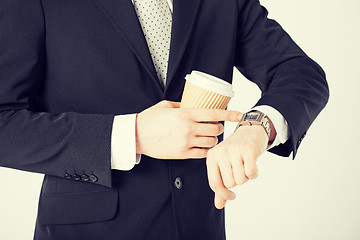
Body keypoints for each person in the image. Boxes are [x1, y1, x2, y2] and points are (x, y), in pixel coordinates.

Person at [0, 0, 328, 239]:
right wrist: (134, 134)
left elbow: (300, 73)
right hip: (88, 230)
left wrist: (256, 127)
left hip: (199, 227)